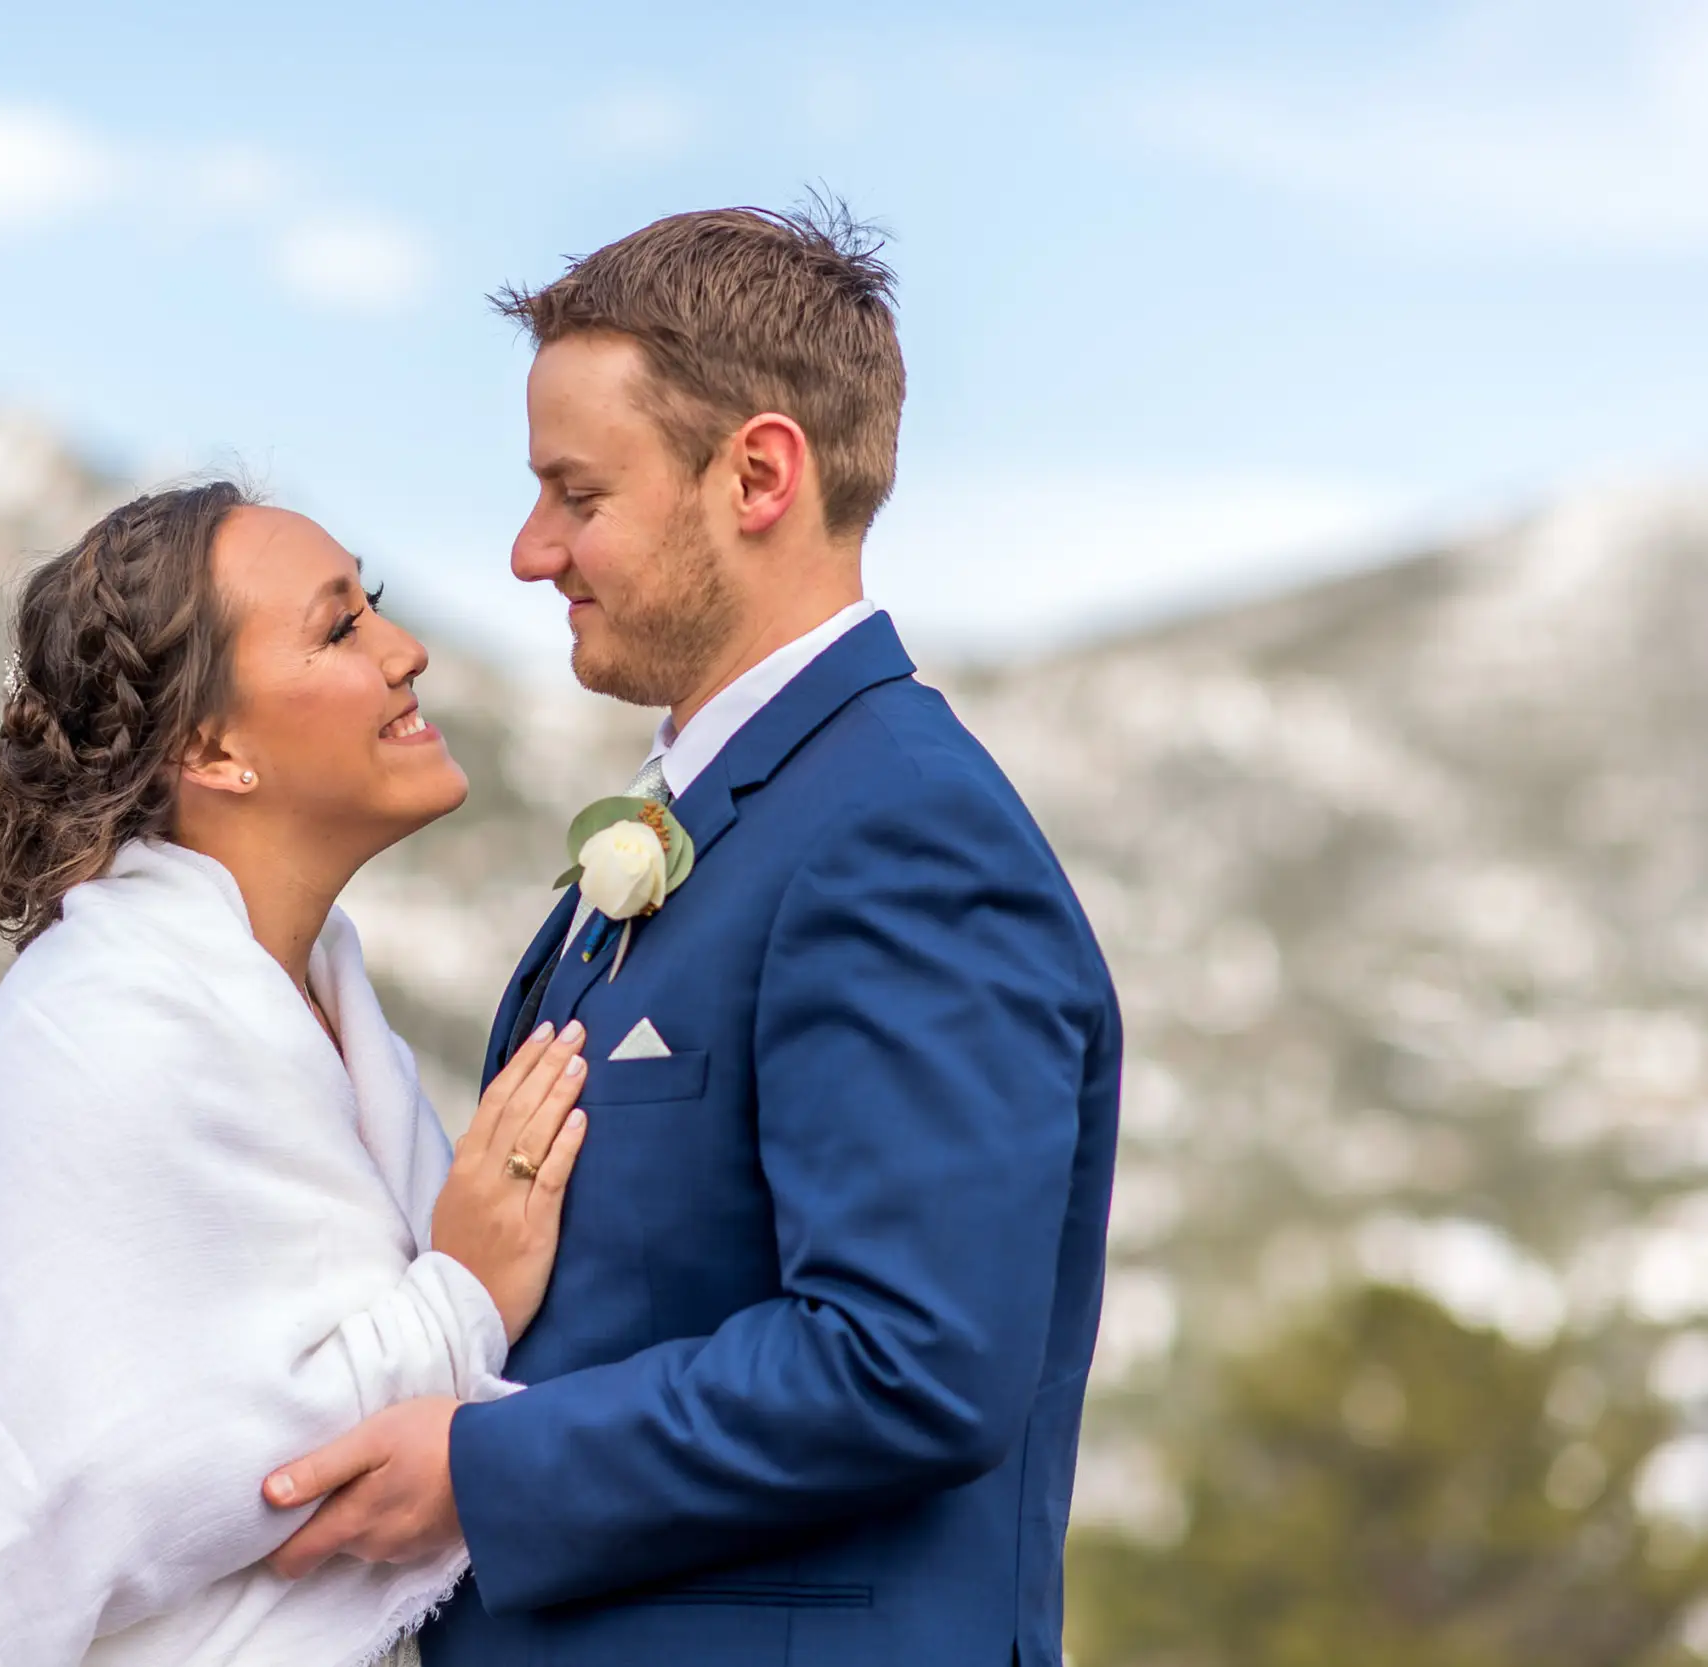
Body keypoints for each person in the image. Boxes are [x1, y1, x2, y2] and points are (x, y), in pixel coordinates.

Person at [259, 206, 1124, 1667]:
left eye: (575, 493)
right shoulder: (742, 814)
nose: (532, 551)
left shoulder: (902, 834)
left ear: (760, 474)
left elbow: (910, 1358)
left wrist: (479, 1470)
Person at [0, 482, 592, 1667]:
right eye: (339, 628)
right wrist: (462, 1292)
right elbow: (109, 1481)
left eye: (370, 604)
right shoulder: (100, 1025)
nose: (405, 647)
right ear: (211, 748)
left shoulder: (326, 1005)